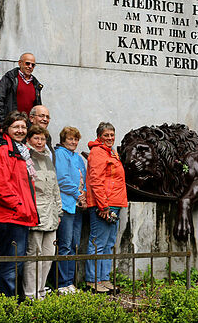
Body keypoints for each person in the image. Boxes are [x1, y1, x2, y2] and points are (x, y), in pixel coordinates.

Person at [0, 111, 38, 297]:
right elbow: (1, 185)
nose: (20, 130)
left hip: (18, 216)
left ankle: (9, 301)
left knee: (14, 264)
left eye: (23, 127)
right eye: (16, 126)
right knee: (10, 265)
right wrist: (20, 206)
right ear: (6, 129)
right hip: (8, 216)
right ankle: (6, 306)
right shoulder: (2, 151)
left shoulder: (21, 152)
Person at [85, 122, 128, 294]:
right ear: (99, 137)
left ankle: (103, 278)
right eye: (106, 135)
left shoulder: (110, 153)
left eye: (112, 135)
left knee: (108, 243)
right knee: (98, 243)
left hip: (114, 204)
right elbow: (95, 181)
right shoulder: (97, 153)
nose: (110, 138)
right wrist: (103, 206)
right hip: (104, 205)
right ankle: (92, 281)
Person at [22, 125, 61, 299]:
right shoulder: (26, 157)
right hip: (36, 214)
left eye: (43, 139)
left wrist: (58, 212)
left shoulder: (48, 158)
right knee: (33, 257)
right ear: (29, 139)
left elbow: (55, 188)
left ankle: (41, 291)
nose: (40, 142)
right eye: (36, 138)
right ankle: (30, 294)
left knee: (48, 256)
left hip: (51, 215)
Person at [54, 126, 87, 294]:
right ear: (63, 140)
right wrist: (78, 194)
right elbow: (62, 179)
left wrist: (84, 195)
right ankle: (62, 283)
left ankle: (70, 282)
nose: (73, 142)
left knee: (74, 244)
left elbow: (85, 179)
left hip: (77, 207)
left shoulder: (78, 157)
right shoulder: (60, 154)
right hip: (66, 205)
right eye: (70, 139)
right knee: (65, 245)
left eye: (76, 139)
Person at [0, 53, 44, 121]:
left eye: (33, 65)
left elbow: (37, 107)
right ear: (20, 63)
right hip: (11, 123)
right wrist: (1, 122)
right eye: (27, 63)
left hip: (28, 126)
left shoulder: (36, 84)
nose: (30, 66)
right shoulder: (9, 78)